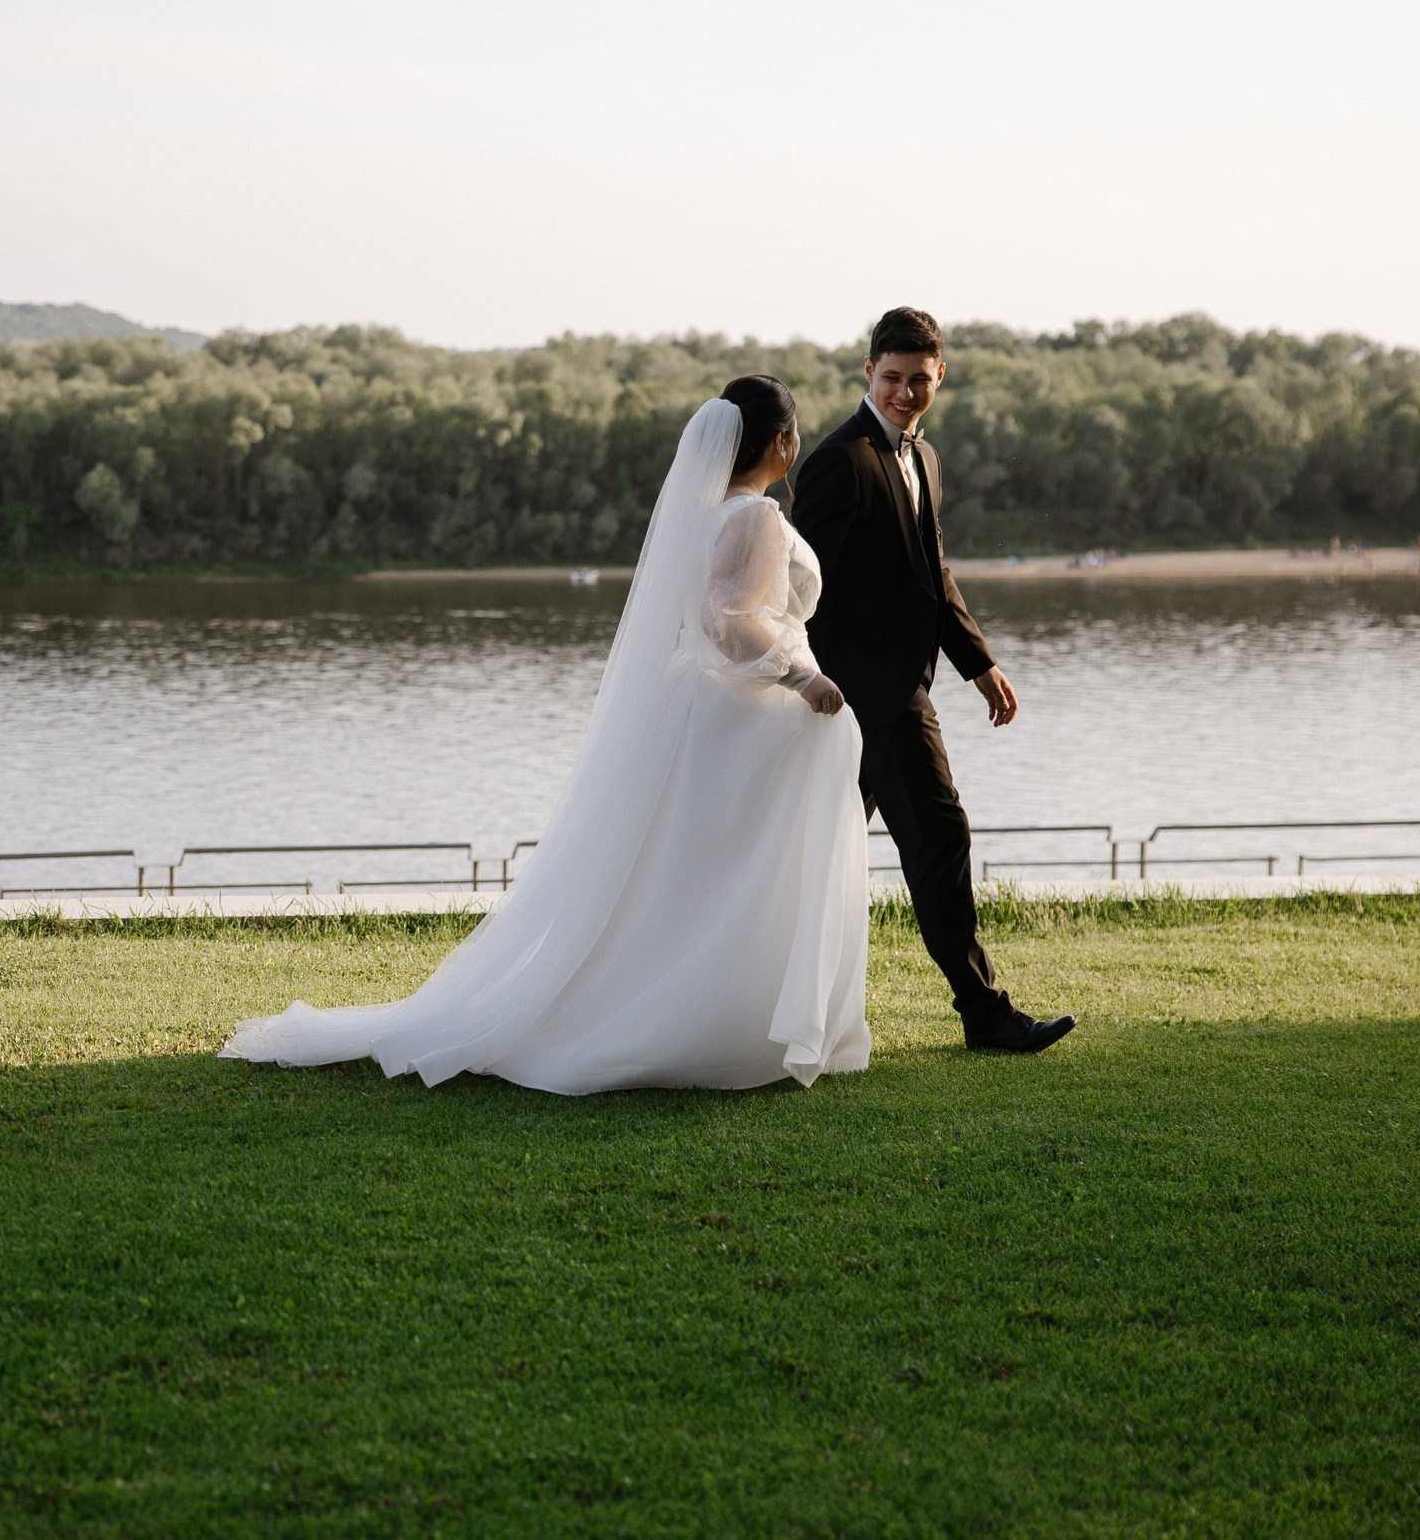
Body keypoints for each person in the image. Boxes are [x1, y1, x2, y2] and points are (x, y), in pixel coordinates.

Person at [222, 378, 872, 1094]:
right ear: (783, 442)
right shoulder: (755, 520)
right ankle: (713, 1013)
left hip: (705, 710)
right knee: (722, 871)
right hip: (741, 714)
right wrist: (802, 678)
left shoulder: (708, 515)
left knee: (685, 870)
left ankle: (697, 999)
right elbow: (730, 618)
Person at [791, 307, 1074, 1053]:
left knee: (814, 854)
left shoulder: (928, 458)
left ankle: (762, 1002)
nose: (906, 393)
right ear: (867, 372)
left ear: (940, 375)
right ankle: (986, 1014)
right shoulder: (837, 460)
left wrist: (977, 661)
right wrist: (816, 684)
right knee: (940, 835)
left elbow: (930, 575)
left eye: (920, 380)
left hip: (897, 688)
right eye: (892, 378)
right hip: (864, 699)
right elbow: (798, 591)